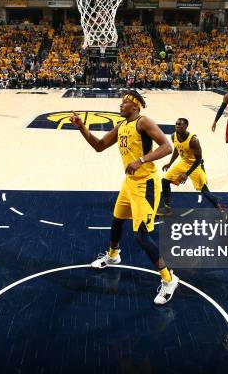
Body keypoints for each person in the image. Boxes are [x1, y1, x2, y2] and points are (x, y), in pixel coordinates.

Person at [69, 90, 179, 305]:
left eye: (124, 102)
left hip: (146, 184)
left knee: (141, 236)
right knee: (117, 220)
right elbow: (99, 146)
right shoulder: (121, 126)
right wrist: (82, 127)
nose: (120, 105)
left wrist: (141, 160)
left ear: (135, 106)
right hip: (130, 183)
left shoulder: (143, 122)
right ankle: (113, 256)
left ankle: (169, 278)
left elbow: (167, 147)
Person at [157, 118, 227, 220]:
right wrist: (170, 163)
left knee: (205, 191)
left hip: (196, 165)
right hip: (184, 162)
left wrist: (187, 174)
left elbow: (199, 159)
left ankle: (222, 212)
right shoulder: (174, 136)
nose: (177, 126)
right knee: (165, 181)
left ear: (186, 126)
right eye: (176, 124)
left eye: (180, 125)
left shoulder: (193, 140)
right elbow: (177, 148)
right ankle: (167, 208)